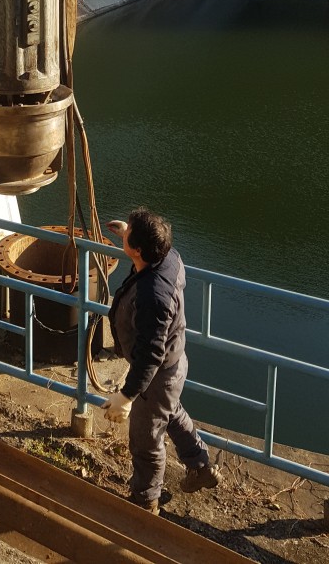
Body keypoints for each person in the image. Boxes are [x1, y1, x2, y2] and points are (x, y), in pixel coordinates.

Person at [101, 208, 222, 515]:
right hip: (174, 363)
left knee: (145, 440)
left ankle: (145, 502)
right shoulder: (168, 257)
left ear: (139, 251)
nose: (125, 231)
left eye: (130, 234)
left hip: (157, 374)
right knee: (170, 411)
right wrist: (128, 236)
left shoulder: (153, 297)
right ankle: (200, 466)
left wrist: (127, 396)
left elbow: (150, 354)